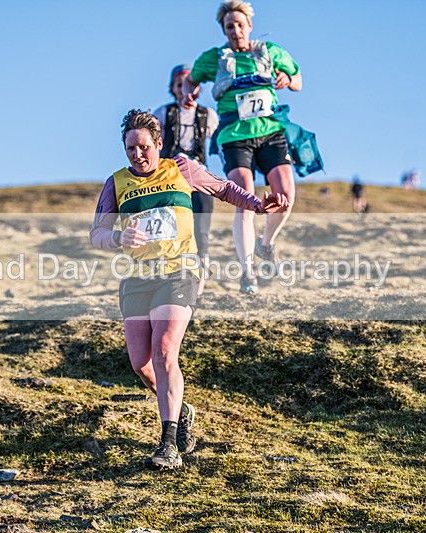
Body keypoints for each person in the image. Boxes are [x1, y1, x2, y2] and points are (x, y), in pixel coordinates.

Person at [90, 109, 289, 469]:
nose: (137, 154)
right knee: (141, 364)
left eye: (144, 147)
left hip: (179, 272)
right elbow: (97, 233)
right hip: (137, 278)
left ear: (159, 144)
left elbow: (225, 189)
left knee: (165, 351)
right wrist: (119, 236)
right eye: (130, 148)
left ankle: (168, 445)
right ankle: (181, 409)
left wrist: (259, 205)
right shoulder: (116, 183)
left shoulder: (181, 169)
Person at [182, 0, 302, 295]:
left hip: (270, 131)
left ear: (249, 25)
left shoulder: (270, 52)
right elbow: (191, 81)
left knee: (286, 194)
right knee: (245, 199)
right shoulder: (214, 58)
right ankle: (247, 273)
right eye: (228, 26)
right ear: (223, 30)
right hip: (234, 135)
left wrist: (288, 79)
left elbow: (298, 80)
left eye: (239, 25)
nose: (235, 30)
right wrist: (190, 94)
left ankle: (266, 244)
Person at [154, 64, 219, 297]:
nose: (184, 88)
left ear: (198, 87)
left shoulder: (208, 116)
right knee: (168, 232)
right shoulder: (162, 113)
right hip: (168, 181)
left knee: (200, 232)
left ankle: (198, 288)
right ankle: (167, 283)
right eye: (179, 83)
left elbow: (222, 142)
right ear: (172, 87)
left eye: (190, 83)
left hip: (199, 181)